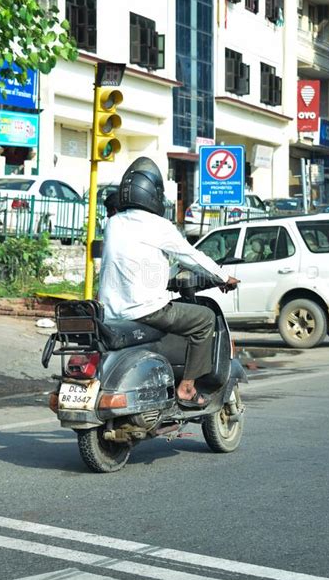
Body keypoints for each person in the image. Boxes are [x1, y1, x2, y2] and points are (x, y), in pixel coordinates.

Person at [98, 157, 239, 408]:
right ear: (154, 194)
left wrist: (167, 275)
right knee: (204, 319)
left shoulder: (113, 223)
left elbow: (138, 261)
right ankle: (187, 387)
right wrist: (222, 277)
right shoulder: (159, 226)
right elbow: (190, 255)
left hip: (110, 312)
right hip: (146, 311)